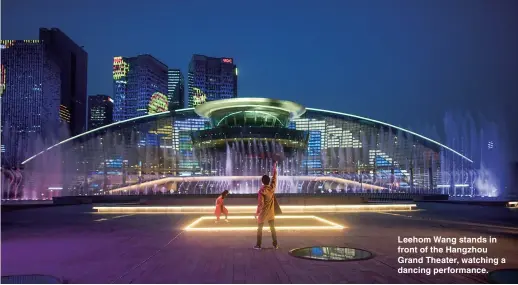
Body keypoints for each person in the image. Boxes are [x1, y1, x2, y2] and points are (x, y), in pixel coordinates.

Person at [254, 160, 278, 250]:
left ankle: (258, 245)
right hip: (271, 213)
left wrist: (257, 213)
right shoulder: (272, 188)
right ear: (268, 181)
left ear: (262, 182)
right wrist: (274, 168)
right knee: (272, 228)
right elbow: (274, 178)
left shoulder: (262, 191)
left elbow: (261, 204)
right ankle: (275, 244)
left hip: (263, 213)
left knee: (259, 229)